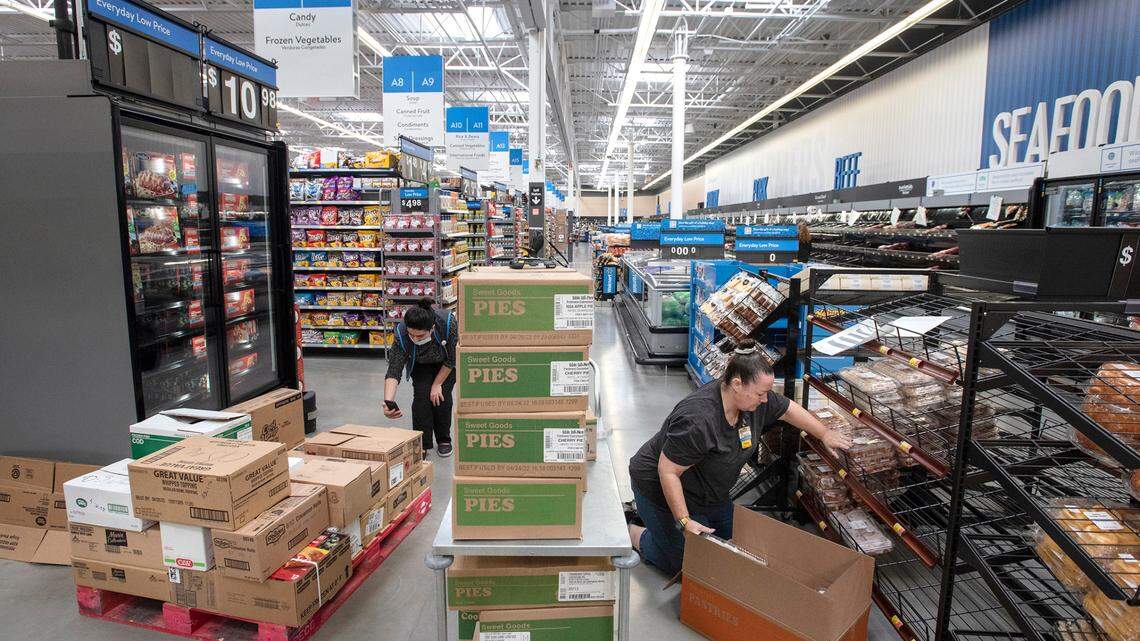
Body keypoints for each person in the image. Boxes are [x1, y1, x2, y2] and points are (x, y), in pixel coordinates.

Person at [627, 339, 853, 577]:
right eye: (760, 393)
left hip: (709, 493)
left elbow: (787, 408)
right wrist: (684, 522)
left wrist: (824, 433)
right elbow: (668, 471)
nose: (766, 399)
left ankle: (659, 525)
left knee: (732, 550)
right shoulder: (698, 420)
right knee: (685, 564)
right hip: (658, 487)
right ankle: (634, 531)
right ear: (737, 384)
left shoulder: (753, 402)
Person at [383, 298, 458, 457]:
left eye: (420, 335)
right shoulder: (401, 333)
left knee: (441, 396)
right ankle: (421, 442)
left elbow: (452, 359)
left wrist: (437, 384)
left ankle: (444, 439)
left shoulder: (448, 323)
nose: (415, 339)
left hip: (445, 364)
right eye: (412, 335)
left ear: (432, 328)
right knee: (421, 398)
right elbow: (394, 368)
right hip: (420, 363)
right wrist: (388, 401)